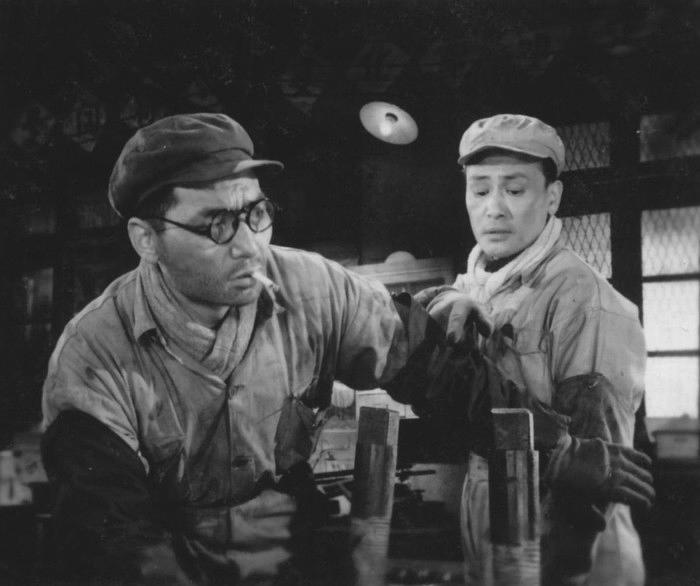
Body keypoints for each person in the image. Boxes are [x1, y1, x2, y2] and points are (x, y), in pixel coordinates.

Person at [423, 114, 651, 585]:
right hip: (499, 540)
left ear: (552, 197)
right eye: (479, 190)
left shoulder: (583, 300)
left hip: (572, 563)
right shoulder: (474, 288)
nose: (494, 208)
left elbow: (592, 483)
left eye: (514, 189)